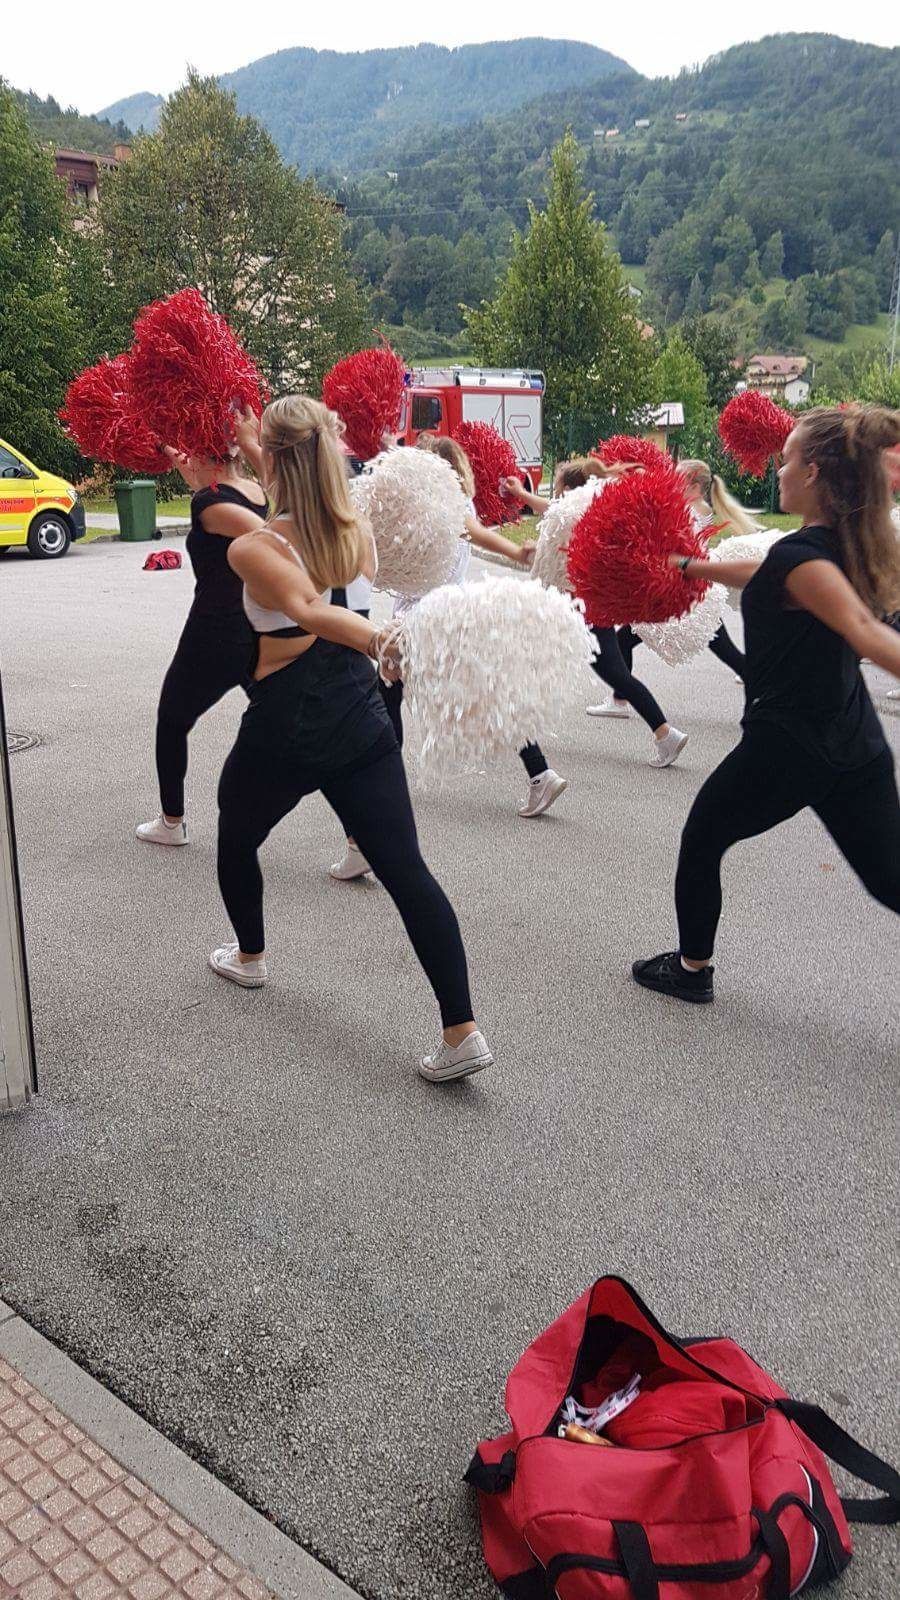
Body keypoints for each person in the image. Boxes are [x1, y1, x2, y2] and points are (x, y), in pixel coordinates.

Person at [213, 395, 493, 1084]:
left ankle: (249, 959)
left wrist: (382, 637)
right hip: (360, 714)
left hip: (287, 721)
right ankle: (463, 1030)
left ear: (276, 460)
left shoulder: (254, 547)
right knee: (405, 869)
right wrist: (259, 440)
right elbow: (302, 491)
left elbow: (306, 610)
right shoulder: (357, 532)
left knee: (234, 836)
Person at [633, 404, 900, 1004]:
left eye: (786, 460)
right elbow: (767, 572)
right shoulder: (833, 545)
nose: (777, 470)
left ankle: (692, 970)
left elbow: (862, 629)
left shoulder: (806, 561)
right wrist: (690, 566)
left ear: (813, 474)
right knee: (893, 882)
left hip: (787, 748)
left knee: (703, 837)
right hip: (854, 743)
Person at [331, 436, 564, 882]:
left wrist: (517, 551)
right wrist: (516, 551)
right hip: (451, 620)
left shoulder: (432, 508)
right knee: (482, 698)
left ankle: (370, 818)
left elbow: (464, 537)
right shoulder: (457, 506)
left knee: (383, 705)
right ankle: (540, 772)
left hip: (421, 623)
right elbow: (475, 535)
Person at [509, 457, 689, 766]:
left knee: (527, 670)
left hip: (570, 609)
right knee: (616, 674)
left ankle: (527, 745)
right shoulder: (596, 510)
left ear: (566, 488)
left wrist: (522, 500)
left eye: (557, 488)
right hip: (596, 604)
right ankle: (665, 733)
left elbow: (555, 549)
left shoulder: (567, 514)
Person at [136, 445, 268, 846]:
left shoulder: (208, 502)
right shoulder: (253, 490)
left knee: (171, 719)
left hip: (214, 634)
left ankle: (171, 823)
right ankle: (358, 839)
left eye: (189, 452)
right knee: (299, 724)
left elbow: (270, 537)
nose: (182, 459)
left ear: (209, 457)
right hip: (255, 628)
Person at [613, 459, 748, 691]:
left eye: (677, 479)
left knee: (623, 639)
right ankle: (754, 676)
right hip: (694, 591)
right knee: (723, 647)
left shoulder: (689, 513)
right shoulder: (698, 509)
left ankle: (620, 699)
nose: (671, 483)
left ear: (694, 488)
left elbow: (673, 546)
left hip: (685, 592)